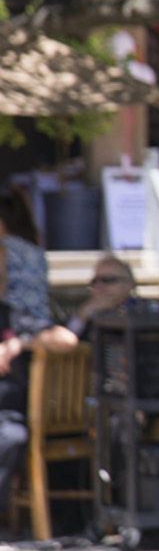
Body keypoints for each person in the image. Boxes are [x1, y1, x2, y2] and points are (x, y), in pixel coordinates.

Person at [0, 189, 53, 504]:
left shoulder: (18, 315)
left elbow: (62, 337)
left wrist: (18, 342)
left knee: (10, 433)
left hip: (16, 396)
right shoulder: (34, 254)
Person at [34, 255, 137, 352]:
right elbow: (62, 342)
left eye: (108, 280)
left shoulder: (141, 311)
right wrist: (82, 316)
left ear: (129, 284)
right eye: (95, 281)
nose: (100, 286)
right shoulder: (88, 316)